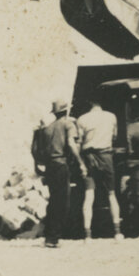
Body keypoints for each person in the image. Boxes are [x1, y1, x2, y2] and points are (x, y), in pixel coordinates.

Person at [36, 99, 87, 248]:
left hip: (50, 166)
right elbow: (71, 143)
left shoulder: (48, 128)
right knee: (62, 202)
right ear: (66, 110)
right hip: (61, 164)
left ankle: (49, 235)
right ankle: (53, 238)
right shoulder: (68, 124)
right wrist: (80, 162)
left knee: (53, 200)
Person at [77, 98, 123, 240]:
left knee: (89, 195)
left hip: (88, 157)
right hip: (106, 156)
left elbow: (79, 141)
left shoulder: (82, 119)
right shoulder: (111, 116)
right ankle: (117, 232)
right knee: (111, 194)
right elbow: (114, 136)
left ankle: (87, 235)